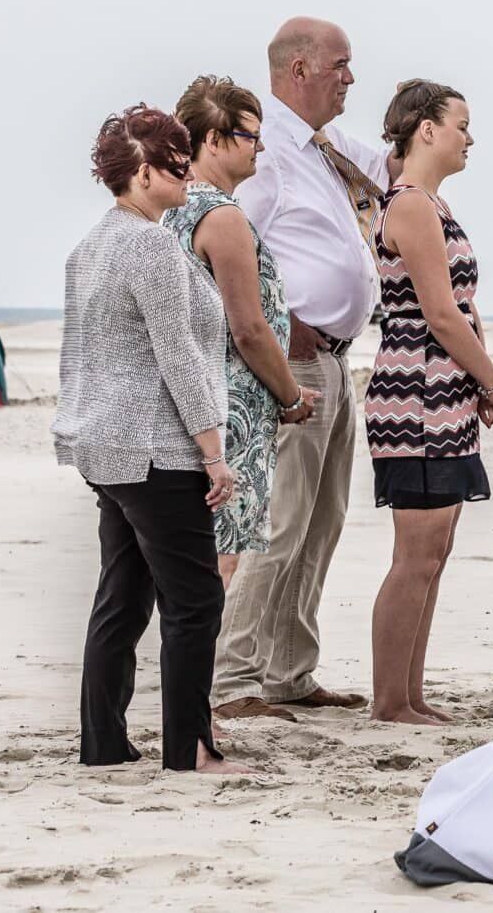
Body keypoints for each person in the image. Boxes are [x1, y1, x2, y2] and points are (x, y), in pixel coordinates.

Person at [53, 105, 254, 775]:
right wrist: (214, 452)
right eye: (176, 166)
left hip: (104, 447)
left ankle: (103, 745)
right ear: (142, 172)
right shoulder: (151, 244)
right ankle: (189, 753)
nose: (187, 176)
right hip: (155, 450)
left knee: (123, 594)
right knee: (195, 602)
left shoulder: (90, 245)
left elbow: (84, 355)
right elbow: (179, 358)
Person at [212, 17, 391, 722]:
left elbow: (394, 174)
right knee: (279, 521)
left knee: (324, 520)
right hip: (295, 361)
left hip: (341, 362)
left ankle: (290, 669)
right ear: (298, 71)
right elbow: (227, 245)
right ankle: (233, 677)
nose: (349, 77)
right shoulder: (267, 152)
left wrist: (436, 122)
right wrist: (284, 329)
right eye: (340, 65)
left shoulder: (330, 148)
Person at [366, 80, 493, 724]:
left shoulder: (434, 203)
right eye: (461, 124)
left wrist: (478, 378)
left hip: (443, 395)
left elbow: (464, 308)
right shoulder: (409, 207)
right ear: (425, 129)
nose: (469, 137)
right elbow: (440, 315)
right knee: (415, 555)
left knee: (436, 553)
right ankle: (389, 702)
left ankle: (411, 695)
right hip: (416, 398)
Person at [163, 77, 320, 595]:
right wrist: (291, 395)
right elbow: (249, 329)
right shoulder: (222, 216)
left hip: (185, 401)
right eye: (251, 136)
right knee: (219, 564)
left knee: (186, 560)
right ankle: (203, 677)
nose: (261, 146)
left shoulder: (169, 210)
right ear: (213, 139)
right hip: (233, 409)